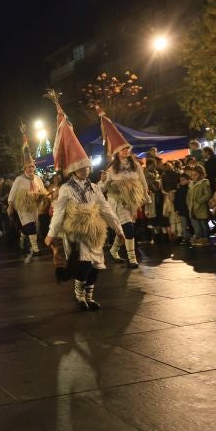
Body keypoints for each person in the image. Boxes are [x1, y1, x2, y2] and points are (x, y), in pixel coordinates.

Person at [45, 101, 124, 310]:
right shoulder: (65, 189)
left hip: (94, 232)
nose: (87, 170)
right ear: (74, 169)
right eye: (83, 167)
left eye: (87, 167)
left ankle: (89, 296)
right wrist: (51, 234)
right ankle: (79, 296)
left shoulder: (94, 188)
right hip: (76, 232)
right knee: (83, 264)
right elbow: (59, 212)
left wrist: (118, 228)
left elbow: (105, 208)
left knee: (96, 267)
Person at [97, 109, 148, 267]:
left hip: (132, 201)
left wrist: (145, 195)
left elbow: (142, 181)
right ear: (117, 152)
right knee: (128, 228)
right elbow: (103, 188)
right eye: (122, 149)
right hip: (117, 201)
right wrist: (102, 180)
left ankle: (113, 251)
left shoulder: (135, 165)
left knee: (123, 230)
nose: (126, 151)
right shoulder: (112, 168)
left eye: (127, 149)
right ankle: (132, 259)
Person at [7, 127, 48, 261]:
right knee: (30, 225)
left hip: (34, 206)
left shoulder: (37, 178)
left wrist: (45, 195)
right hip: (23, 206)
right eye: (28, 167)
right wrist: (10, 205)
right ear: (25, 168)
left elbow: (43, 190)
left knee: (31, 225)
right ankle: (35, 249)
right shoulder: (19, 179)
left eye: (32, 167)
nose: (31, 169)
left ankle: (23, 236)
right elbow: (12, 193)